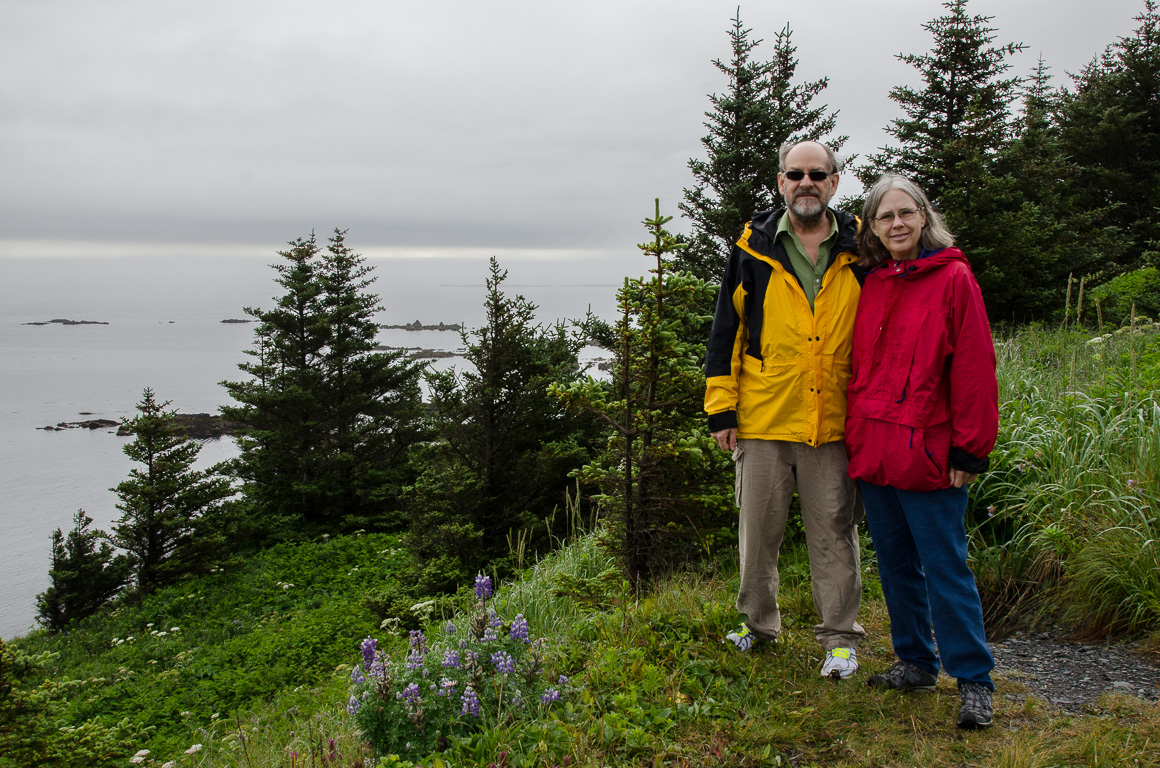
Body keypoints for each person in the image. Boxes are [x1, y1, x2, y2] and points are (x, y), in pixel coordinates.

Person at [704, 140, 866, 679]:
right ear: (780, 183)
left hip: (836, 419)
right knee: (758, 533)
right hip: (763, 417)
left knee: (834, 534)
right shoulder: (753, 249)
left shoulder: (861, 250)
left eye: (817, 174)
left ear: (834, 183)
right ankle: (756, 625)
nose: (806, 182)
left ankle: (840, 640)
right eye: (795, 174)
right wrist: (721, 409)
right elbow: (726, 330)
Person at [845, 174, 998, 729]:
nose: (897, 224)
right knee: (895, 564)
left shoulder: (954, 278)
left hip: (931, 452)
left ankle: (974, 679)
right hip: (875, 448)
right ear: (873, 228)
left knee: (944, 566)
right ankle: (915, 661)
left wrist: (970, 449)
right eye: (885, 217)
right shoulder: (874, 282)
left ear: (924, 217)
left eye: (906, 213)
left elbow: (976, 369)